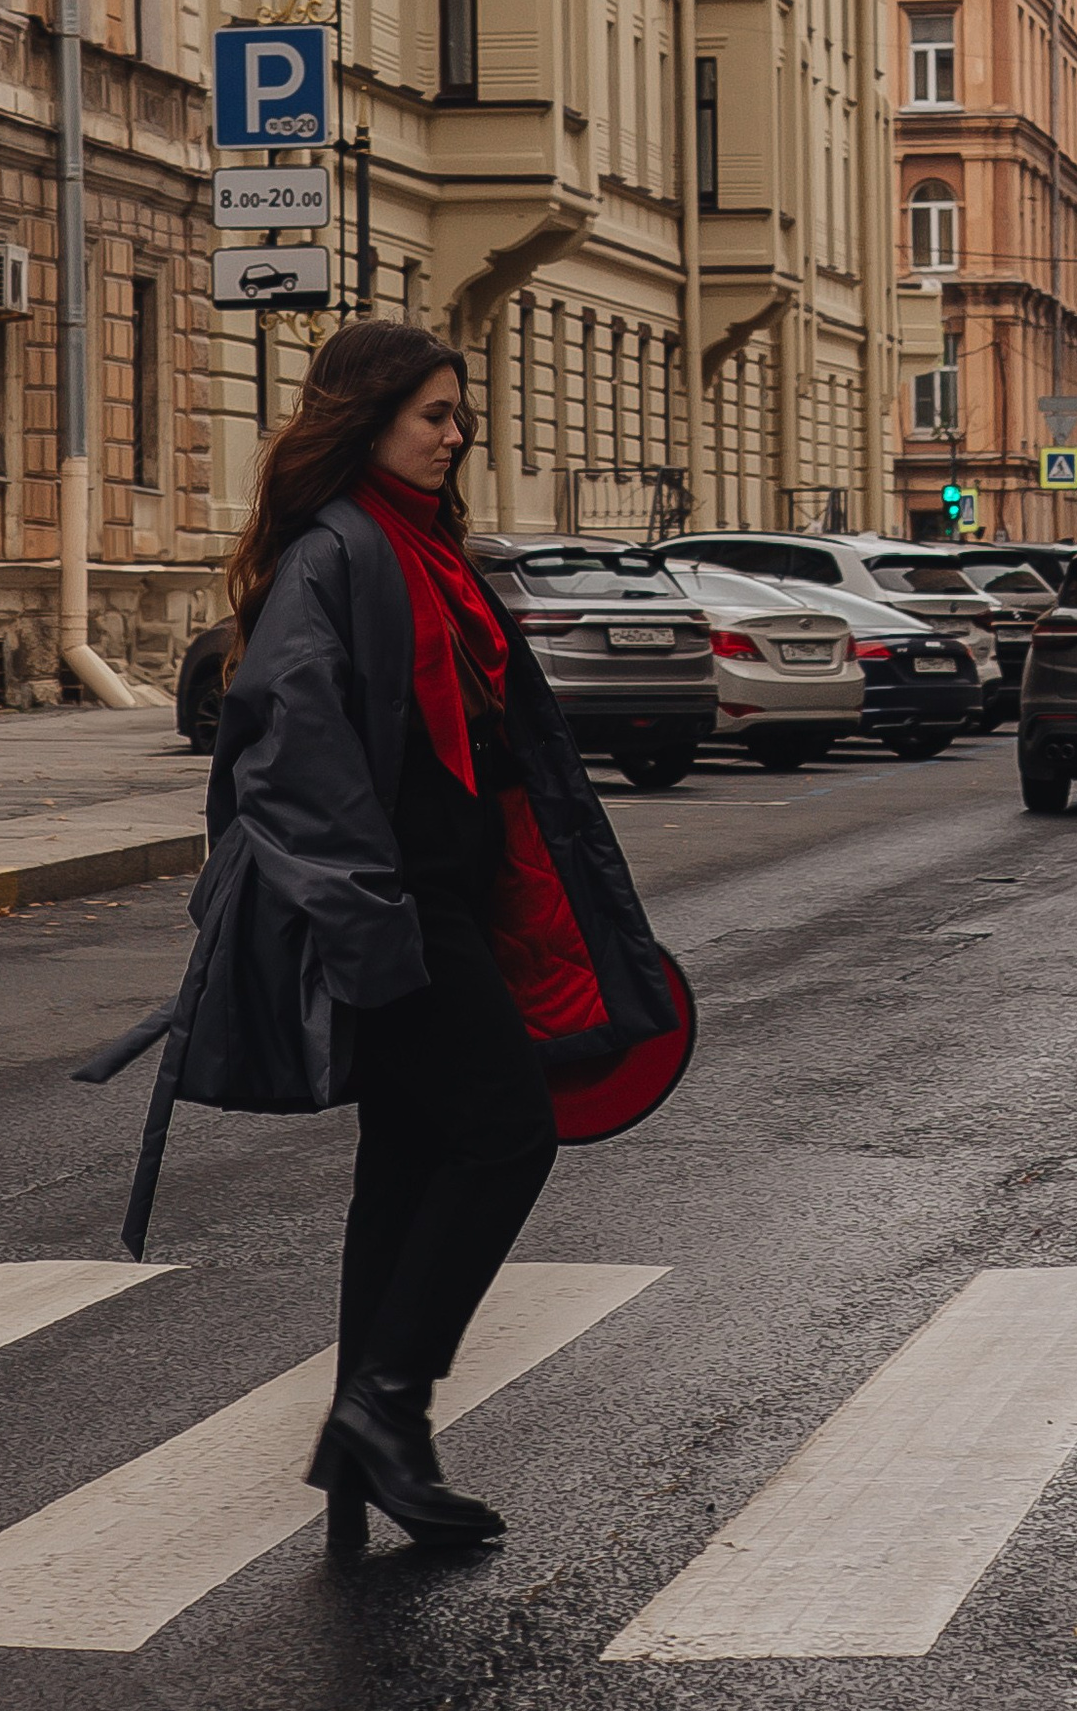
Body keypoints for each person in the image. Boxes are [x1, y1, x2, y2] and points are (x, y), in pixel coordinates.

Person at [106, 321, 676, 1556]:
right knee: (507, 1131)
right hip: (392, 905)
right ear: (365, 421)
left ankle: (363, 1444)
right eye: (433, 413)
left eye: (458, 413)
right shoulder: (339, 554)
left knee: (411, 1160)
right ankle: (385, 1404)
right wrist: (369, 924)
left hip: (451, 898)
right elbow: (291, 760)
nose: (456, 431)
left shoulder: (425, 551)